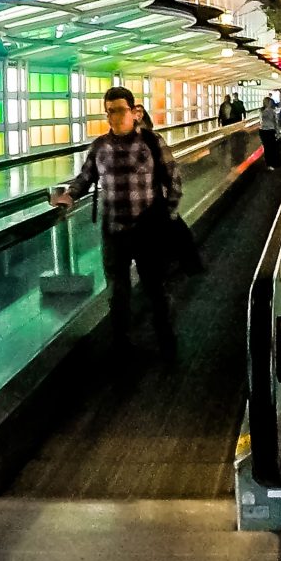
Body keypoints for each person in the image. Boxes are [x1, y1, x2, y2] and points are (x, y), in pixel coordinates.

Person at [51, 86, 182, 366]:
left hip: (147, 231)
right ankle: (123, 349)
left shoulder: (151, 142)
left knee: (156, 290)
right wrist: (69, 197)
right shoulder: (100, 146)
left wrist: (165, 217)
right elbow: (84, 179)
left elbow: (174, 180)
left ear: (134, 112)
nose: (114, 117)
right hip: (114, 233)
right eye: (109, 111)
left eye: (120, 110)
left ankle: (167, 345)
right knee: (117, 294)